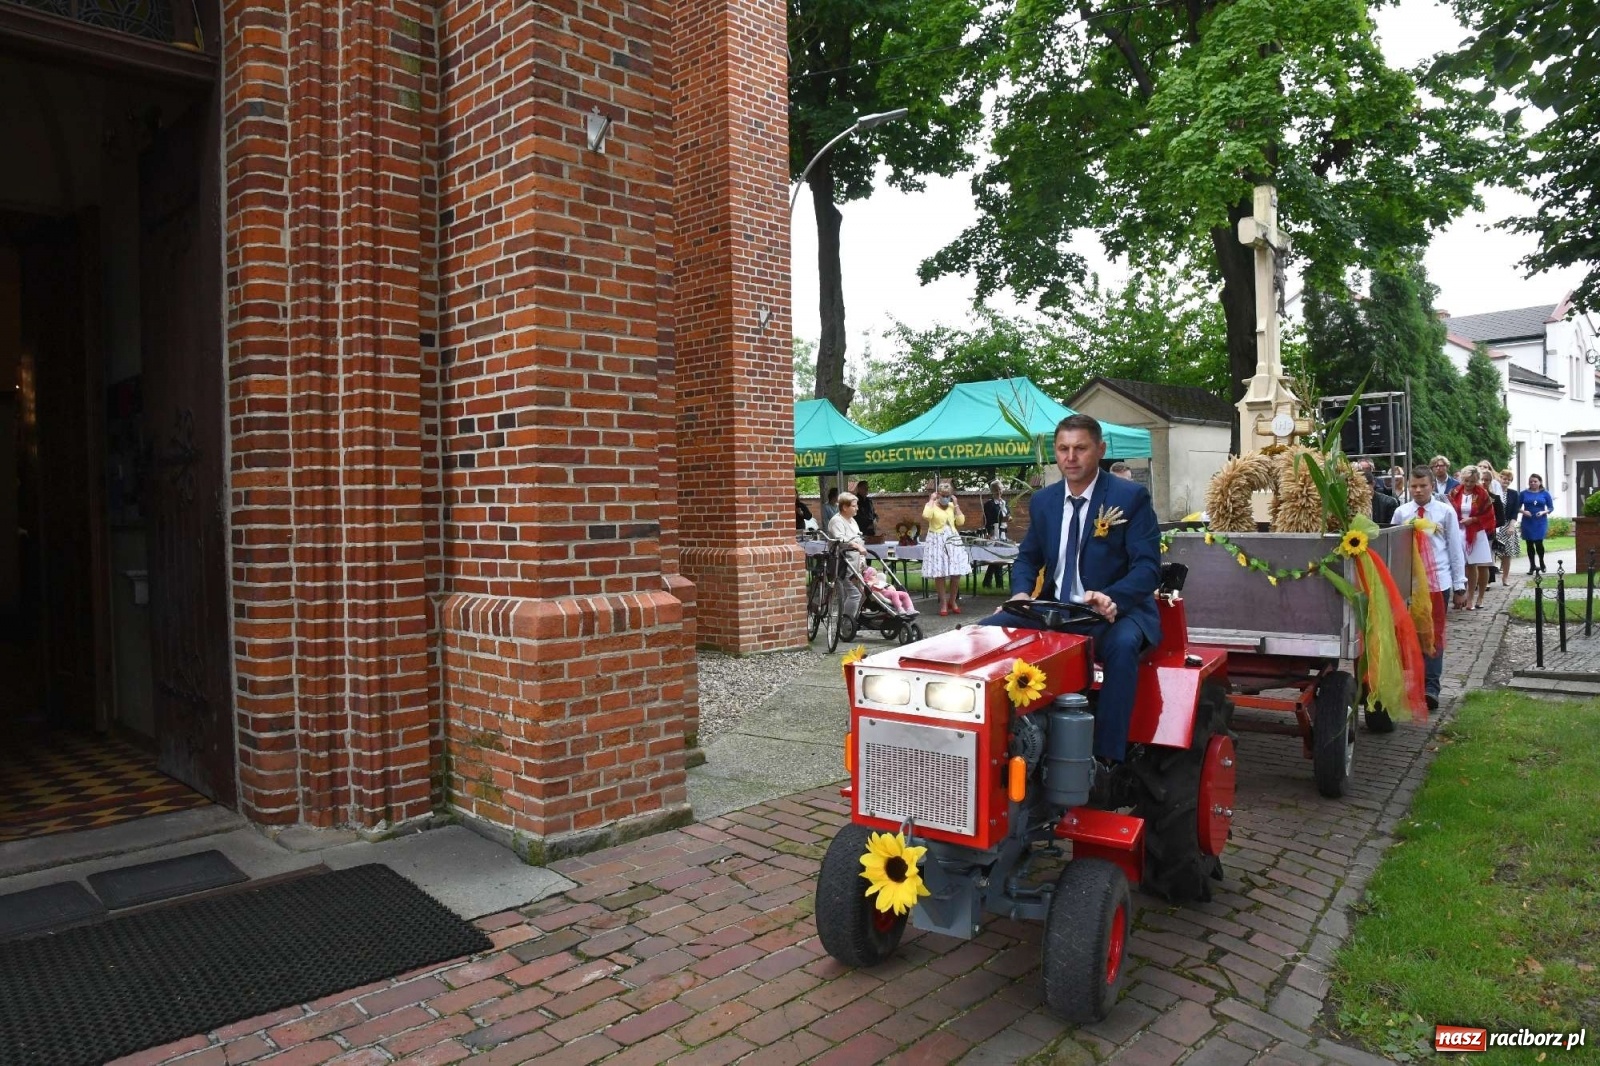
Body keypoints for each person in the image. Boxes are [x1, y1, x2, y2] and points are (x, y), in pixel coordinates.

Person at [982, 414, 1161, 764]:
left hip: (1112, 612)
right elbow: (1027, 558)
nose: (1071, 457)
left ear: (1100, 450)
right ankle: (995, 748)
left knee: (1123, 648)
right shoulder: (1045, 502)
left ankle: (1105, 759)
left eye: (1080, 448)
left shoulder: (1130, 496)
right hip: (1054, 609)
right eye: (1063, 449)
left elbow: (1148, 568)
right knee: (985, 633)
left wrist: (1112, 598)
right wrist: (1020, 593)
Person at [1391, 465, 1468, 712]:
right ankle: (1409, 683)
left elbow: (1455, 549)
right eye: (1414, 486)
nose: (1418, 490)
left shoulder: (1444, 512)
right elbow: (1393, 546)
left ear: (1432, 485)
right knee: (1409, 634)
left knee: (1433, 635)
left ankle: (1431, 687)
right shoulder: (1402, 512)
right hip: (1409, 585)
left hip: (1437, 583)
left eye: (1423, 486)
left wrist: (1459, 585)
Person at [1450, 466, 1497, 609]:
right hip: (1459, 531)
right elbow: (1449, 508)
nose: (1469, 484)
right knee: (1462, 564)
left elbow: (1489, 514)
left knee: (1480, 565)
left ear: (1476, 480)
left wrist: (1474, 520)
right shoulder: (1455, 491)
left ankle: (1477, 597)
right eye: (1466, 480)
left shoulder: (1482, 493)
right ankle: (1461, 597)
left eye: (1472, 481)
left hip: (1476, 532)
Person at [922, 480, 971, 616]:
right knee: (940, 573)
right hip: (937, 540)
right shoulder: (931, 505)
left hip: (953, 540)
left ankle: (952, 600)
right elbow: (926, 516)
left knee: (956, 573)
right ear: (938, 494)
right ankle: (943, 603)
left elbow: (961, 522)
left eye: (948, 495)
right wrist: (931, 500)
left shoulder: (951, 506)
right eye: (943, 495)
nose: (945, 497)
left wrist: (956, 505)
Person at [828, 491, 868, 616]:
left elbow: (857, 536)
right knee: (855, 594)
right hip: (843, 563)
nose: (857, 508)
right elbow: (840, 539)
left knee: (865, 592)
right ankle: (846, 625)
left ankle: (851, 621)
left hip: (856, 562)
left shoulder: (852, 521)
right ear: (845, 507)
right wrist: (855, 545)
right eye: (854, 506)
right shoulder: (837, 521)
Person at [1520, 474, 1553, 574]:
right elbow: (1517, 507)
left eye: (1535, 481)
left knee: (1539, 543)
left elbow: (1551, 508)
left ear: (1540, 482)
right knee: (1529, 544)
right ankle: (1532, 566)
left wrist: (1543, 512)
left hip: (1540, 521)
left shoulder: (1545, 493)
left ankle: (1542, 562)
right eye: (1531, 482)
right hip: (1528, 521)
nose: (1533, 483)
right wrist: (1524, 511)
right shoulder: (1523, 493)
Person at [981, 481, 1011, 589]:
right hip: (994, 532)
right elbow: (988, 519)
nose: (999, 492)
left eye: (1000, 489)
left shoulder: (1004, 503)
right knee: (997, 558)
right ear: (992, 491)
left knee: (997, 559)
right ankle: (999, 584)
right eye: (996, 490)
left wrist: (1008, 518)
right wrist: (989, 532)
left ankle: (987, 582)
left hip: (1003, 532)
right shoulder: (989, 504)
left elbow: (1008, 514)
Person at [1495, 469, 1521, 586]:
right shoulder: (1493, 491)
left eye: (1509, 479)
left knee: (1507, 553)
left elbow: (1515, 511)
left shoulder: (1514, 493)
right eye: (1504, 478)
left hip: (1507, 524)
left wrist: (1511, 526)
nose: (1506, 481)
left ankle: (1505, 577)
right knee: (1492, 551)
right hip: (1494, 524)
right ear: (1499, 478)